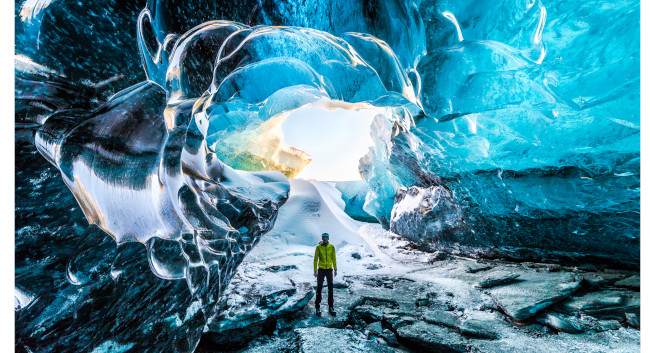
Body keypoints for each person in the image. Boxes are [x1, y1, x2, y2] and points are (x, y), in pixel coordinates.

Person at [313, 232, 337, 315]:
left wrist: (335, 269)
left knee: (330, 288)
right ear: (322, 238)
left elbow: (334, 258)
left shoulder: (332, 247)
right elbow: (315, 259)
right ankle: (317, 307)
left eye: (326, 237)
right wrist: (315, 270)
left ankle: (331, 306)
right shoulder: (318, 247)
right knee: (319, 288)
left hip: (329, 270)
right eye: (324, 237)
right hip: (321, 270)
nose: (325, 239)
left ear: (328, 238)